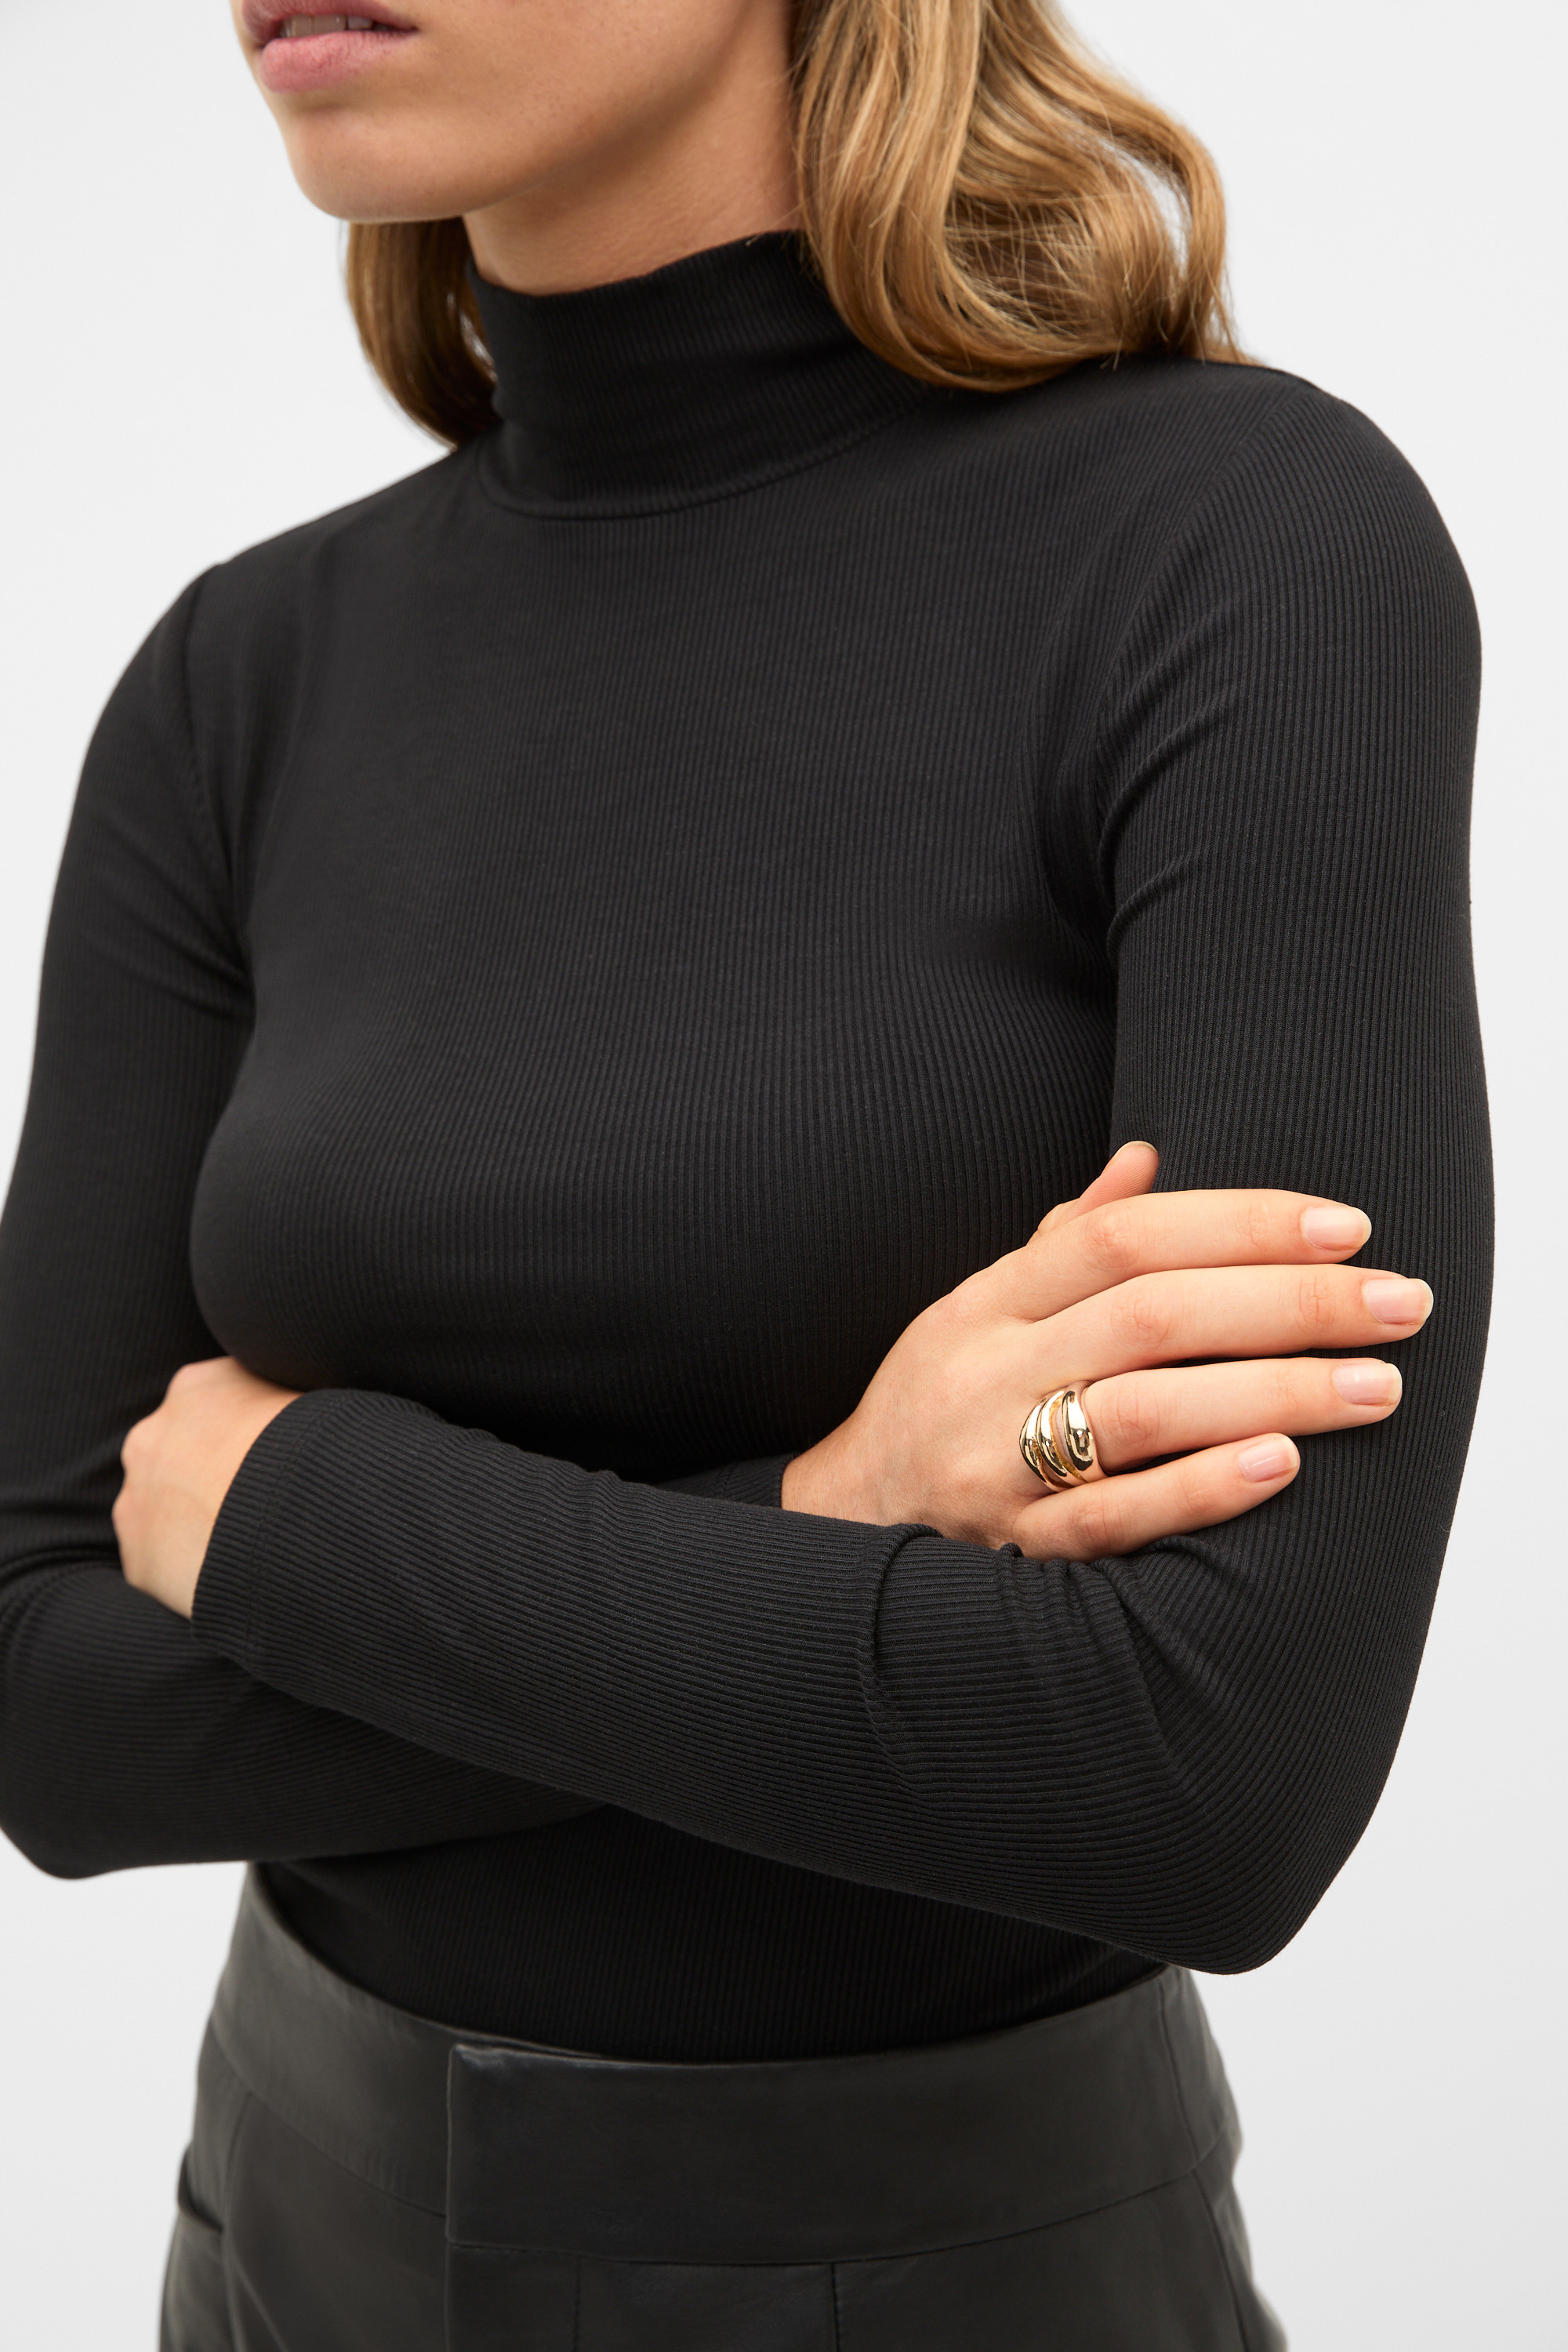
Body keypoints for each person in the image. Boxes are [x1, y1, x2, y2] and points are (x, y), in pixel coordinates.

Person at [0, 0, 1490, 2344]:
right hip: (283, 2243)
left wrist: (293, 1516)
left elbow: (1208, 1772)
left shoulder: (1234, 542)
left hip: (954, 2276)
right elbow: (48, 1699)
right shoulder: (241, 677)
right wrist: (834, 1506)